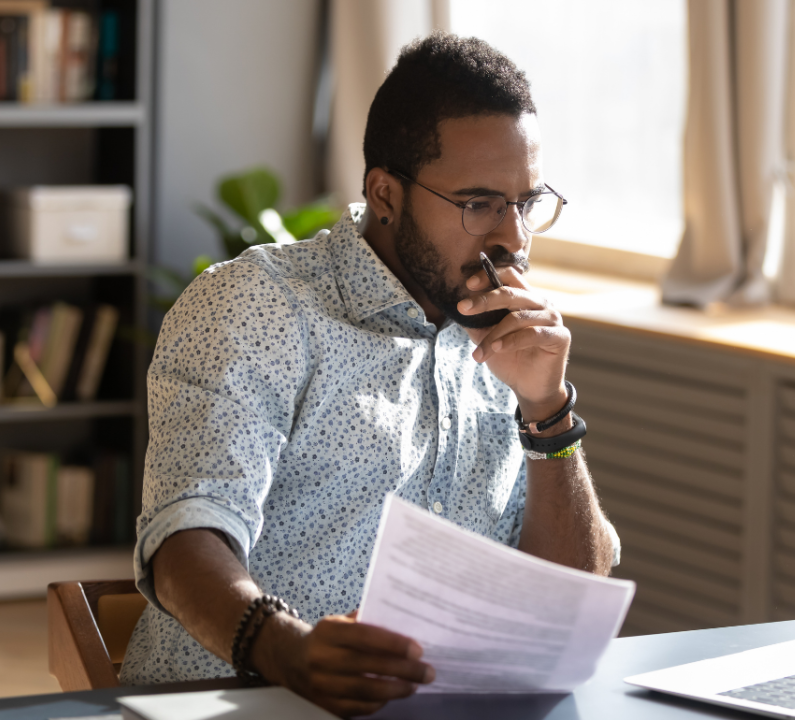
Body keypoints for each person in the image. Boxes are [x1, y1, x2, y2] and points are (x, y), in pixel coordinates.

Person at [120, 32, 620, 718]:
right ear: (385, 193)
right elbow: (186, 536)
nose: (513, 239)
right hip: (232, 704)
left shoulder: (508, 342)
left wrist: (547, 411)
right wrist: (285, 649)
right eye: (479, 204)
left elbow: (568, 601)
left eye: (525, 203)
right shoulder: (258, 307)